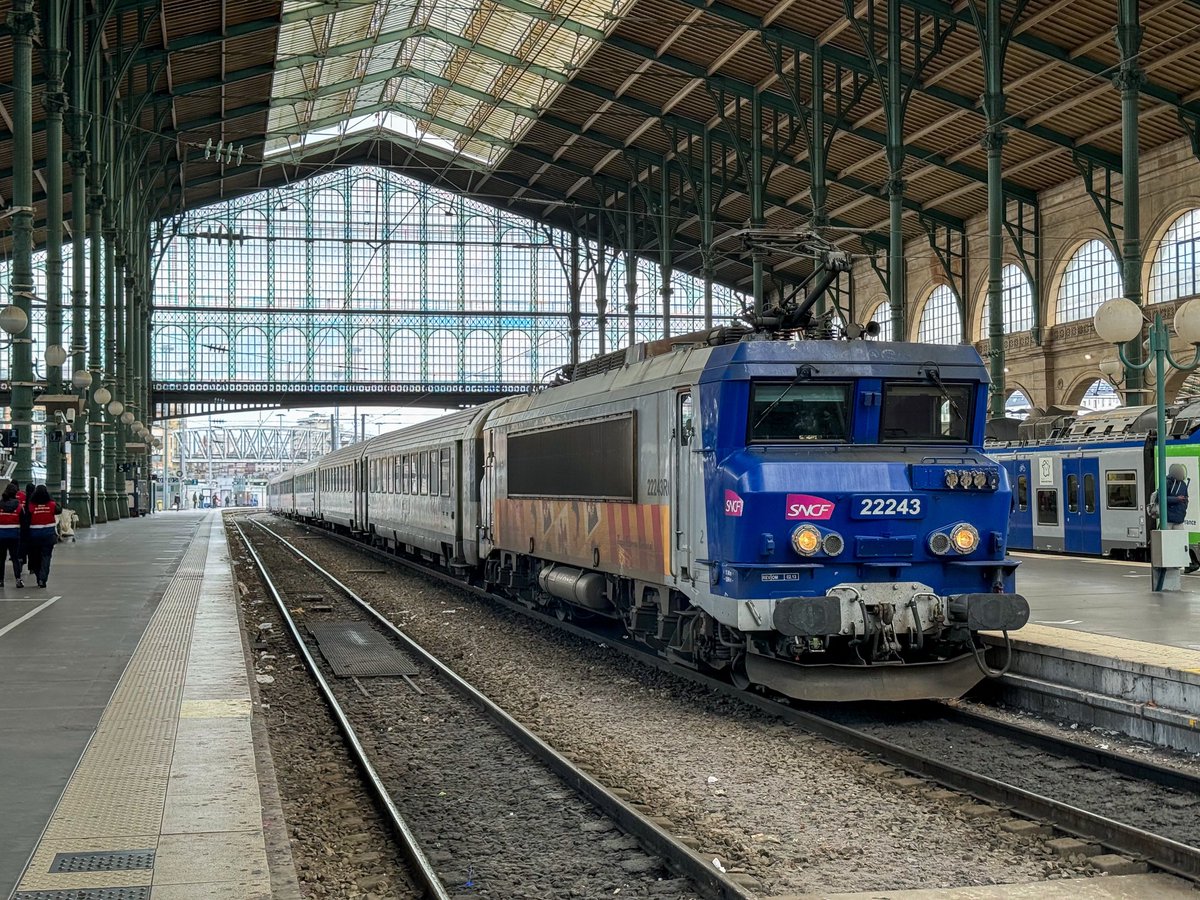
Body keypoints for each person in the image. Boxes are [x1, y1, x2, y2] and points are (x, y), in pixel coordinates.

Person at [1150, 463, 1197, 573]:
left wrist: (1182, 505)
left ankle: (1185, 563)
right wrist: (1177, 500)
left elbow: (1185, 498)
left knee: (1180, 541)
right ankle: (1170, 563)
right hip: (1169, 517)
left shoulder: (1182, 484)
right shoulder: (1167, 482)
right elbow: (1161, 498)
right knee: (1170, 541)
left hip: (1177, 517)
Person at [22, 485, 58, 589]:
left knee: (36, 558)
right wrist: (50, 498)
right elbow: (59, 509)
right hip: (49, 536)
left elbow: (26, 520)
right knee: (46, 557)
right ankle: (43, 578)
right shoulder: (52, 505)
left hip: (34, 536)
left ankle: (39, 577)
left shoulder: (31, 506)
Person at [0, 482, 24, 588]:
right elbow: (23, 522)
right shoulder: (18, 507)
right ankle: (18, 579)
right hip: (14, 535)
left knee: (1, 559)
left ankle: (0, 581)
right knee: (15, 558)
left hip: (1, 535)